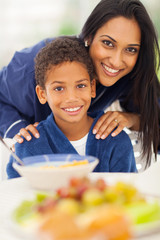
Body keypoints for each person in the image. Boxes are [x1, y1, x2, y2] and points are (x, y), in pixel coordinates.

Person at [0, 0, 159, 168]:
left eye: (131, 49)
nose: (116, 61)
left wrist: (131, 118)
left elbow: (156, 116)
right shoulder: (30, 69)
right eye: (108, 43)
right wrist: (19, 132)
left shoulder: (131, 73)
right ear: (89, 37)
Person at [6, 36, 137, 178]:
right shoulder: (27, 147)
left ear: (92, 88)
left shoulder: (117, 141)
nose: (72, 98)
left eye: (81, 86)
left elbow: (127, 192)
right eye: (58, 89)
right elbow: (16, 194)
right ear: (42, 94)